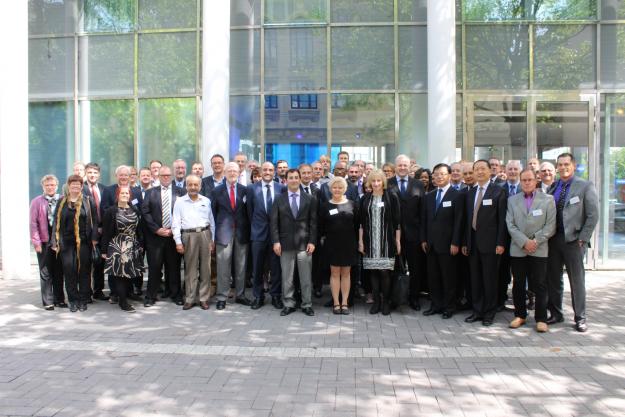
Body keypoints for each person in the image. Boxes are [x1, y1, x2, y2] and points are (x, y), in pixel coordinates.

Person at [546, 153, 599, 332]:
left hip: (574, 241)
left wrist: (583, 238)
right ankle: (556, 313)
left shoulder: (585, 186)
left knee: (576, 280)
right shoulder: (553, 187)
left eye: (566, 164)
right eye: (559, 165)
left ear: (573, 165)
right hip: (553, 239)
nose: (563, 167)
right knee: (553, 279)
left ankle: (580, 317)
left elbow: (593, 215)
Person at [506, 168, 556, 332]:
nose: (527, 183)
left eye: (530, 180)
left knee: (540, 284)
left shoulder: (548, 200)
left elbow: (551, 226)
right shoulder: (512, 200)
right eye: (524, 180)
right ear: (520, 182)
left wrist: (535, 241)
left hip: (539, 248)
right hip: (518, 249)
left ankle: (541, 319)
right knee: (518, 283)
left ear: (536, 181)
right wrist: (524, 242)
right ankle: (520, 315)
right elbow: (510, 225)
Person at [461, 160, 507, 326]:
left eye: (483, 169)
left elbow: (502, 220)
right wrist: (466, 242)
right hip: (473, 244)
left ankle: (489, 312)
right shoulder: (470, 193)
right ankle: (477, 310)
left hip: (491, 245)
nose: (479, 172)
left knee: (490, 280)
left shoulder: (498, 192)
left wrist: (500, 243)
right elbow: (467, 220)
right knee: (476, 280)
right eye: (476, 169)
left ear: (490, 171)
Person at [270, 169, 317, 316]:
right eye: (291, 178)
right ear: (286, 180)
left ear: (300, 178)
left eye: (297, 177)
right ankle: (288, 303)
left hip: (305, 244)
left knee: (305, 277)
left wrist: (312, 241)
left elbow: (314, 222)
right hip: (285, 244)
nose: (294, 180)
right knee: (287, 277)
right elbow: (274, 222)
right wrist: (276, 241)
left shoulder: (310, 198)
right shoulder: (279, 199)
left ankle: (307, 304)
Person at [420, 163, 463, 319]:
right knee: (433, 277)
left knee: (449, 277)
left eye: (442, 174)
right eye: (436, 174)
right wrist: (423, 239)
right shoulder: (429, 196)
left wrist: (456, 242)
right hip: (431, 244)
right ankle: (435, 305)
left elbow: (459, 221)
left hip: (448, 245)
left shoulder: (457, 195)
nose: (438, 177)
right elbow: (424, 219)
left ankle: (449, 307)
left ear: (450, 176)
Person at [50, 175, 98, 313]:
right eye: (73, 184)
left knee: (84, 272)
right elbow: (55, 224)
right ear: (68, 186)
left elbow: (95, 221)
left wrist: (94, 238)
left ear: (81, 186)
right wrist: (54, 241)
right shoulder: (62, 202)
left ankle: (83, 300)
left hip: (84, 242)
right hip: (66, 243)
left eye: (78, 184)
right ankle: (73, 300)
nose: (75, 187)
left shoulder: (88, 201)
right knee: (69, 272)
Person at [358, 170, 401, 316]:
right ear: (369, 183)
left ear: (383, 182)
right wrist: (361, 242)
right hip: (370, 241)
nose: (376, 184)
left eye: (379, 181)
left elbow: (397, 222)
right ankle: (376, 302)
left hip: (386, 241)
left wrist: (398, 241)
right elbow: (361, 223)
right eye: (373, 181)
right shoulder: (365, 198)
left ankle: (386, 302)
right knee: (373, 272)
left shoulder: (391, 197)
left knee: (384, 272)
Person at [141, 166, 186, 307]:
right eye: (163, 175)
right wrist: (157, 229)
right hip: (155, 237)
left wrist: (174, 229)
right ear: (158, 177)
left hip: (174, 236)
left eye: (168, 175)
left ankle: (176, 295)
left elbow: (185, 213)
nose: (166, 177)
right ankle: (150, 297)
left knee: (174, 268)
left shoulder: (181, 192)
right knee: (154, 268)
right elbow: (145, 213)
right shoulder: (150, 192)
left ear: (171, 176)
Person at [387, 154, 426, 311]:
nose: (402, 168)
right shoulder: (387, 183)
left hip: (413, 235)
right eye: (400, 165)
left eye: (405, 165)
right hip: (392, 234)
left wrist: (423, 235)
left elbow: (423, 211)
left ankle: (414, 298)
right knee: (393, 267)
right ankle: (394, 298)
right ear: (395, 167)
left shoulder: (418, 184)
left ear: (410, 166)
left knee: (415, 267)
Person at [172, 175, 216, 310]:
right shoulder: (179, 202)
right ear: (186, 186)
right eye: (190, 185)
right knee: (190, 268)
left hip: (205, 234)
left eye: (195, 185)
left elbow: (212, 221)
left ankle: (204, 298)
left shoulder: (206, 201)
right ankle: (190, 298)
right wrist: (178, 241)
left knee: (206, 268)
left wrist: (212, 240)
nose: (193, 187)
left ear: (200, 186)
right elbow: (175, 223)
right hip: (188, 235)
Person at [212, 163, 251, 310]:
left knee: (241, 266)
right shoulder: (217, 191)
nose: (233, 173)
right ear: (225, 172)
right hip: (223, 234)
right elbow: (213, 214)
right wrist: (213, 237)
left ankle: (240, 295)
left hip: (241, 233)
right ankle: (222, 297)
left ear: (239, 172)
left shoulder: (245, 190)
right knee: (223, 267)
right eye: (230, 171)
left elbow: (248, 212)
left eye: (235, 171)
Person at [101, 185, 145, 313]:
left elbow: (139, 229)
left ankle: (126, 296)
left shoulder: (134, 209)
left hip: (132, 245)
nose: (125, 195)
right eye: (122, 193)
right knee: (120, 275)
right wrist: (104, 251)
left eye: (127, 193)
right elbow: (106, 232)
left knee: (129, 274)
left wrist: (141, 244)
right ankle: (123, 302)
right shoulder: (111, 211)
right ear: (117, 195)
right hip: (118, 245)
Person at [247, 162, 285, 310]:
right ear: (260, 172)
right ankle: (258, 296)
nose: (268, 172)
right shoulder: (252, 189)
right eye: (265, 170)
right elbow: (250, 211)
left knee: (276, 267)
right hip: (258, 234)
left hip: (276, 235)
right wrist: (256, 227)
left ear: (274, 172)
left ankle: (276, 296)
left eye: (270, 170)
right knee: (257, 267)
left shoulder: (281, 188)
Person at [319, 176, 359, 315]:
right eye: (334, 187)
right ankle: (336, 303)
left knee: (346, 273)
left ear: (345, 189)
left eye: (340, 187)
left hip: (349, 243)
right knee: (335, 273)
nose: (337, 189)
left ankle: (345, 303)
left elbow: (358, 225)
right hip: (332, 244)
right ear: (330, 189)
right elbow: (321, 226)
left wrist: (359, 242)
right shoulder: (325, 206)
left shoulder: (353, 204)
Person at [30, 174, 64, 310]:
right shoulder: (36, 202)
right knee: (45, 272)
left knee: (59, 271)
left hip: (59, 241)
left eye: (52, 185)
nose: (50, 187)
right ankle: (48, 301)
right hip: (44, 240)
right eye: (47, 185)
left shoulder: (62, 199)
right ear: (43, 186)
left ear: (56, 186)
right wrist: (36, 242)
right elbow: (33, 224)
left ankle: (59, 299)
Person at [83, 162, 107, 301]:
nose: (92, 175)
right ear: (86, 173)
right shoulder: (81, 188)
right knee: (87, 263)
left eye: (95, 173)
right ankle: (87, 293)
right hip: (87, 231)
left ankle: (98, 290)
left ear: (99, 174)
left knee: (100, 262)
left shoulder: (104, 189)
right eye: (90, 172)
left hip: (102, 231)